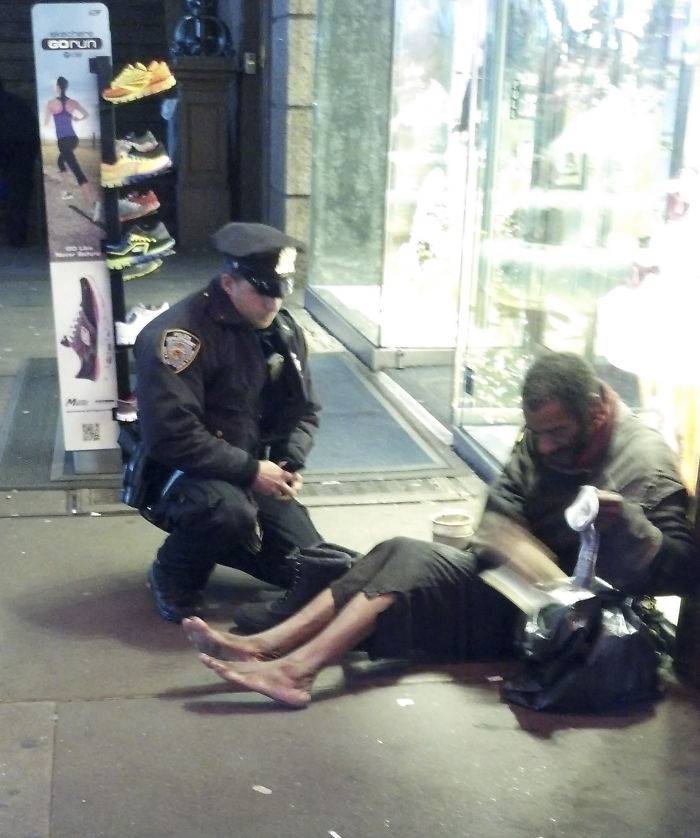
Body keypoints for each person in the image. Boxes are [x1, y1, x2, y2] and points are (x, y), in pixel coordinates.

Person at [181, 351, 700, 708]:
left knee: (409, 566)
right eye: (537, 433)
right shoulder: (550, 432)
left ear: (595, 410)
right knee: (397, 549)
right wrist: (512, 543)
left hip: (571, 626)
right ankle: (270, 646)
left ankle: (296, 672)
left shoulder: (643, 461)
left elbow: (678, 570)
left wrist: (628, 525)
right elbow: (502, 505)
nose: (543, 446)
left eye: (557, 432)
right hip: (523, 590)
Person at [132, 222, 336, 623]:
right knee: (226, 515)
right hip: (183, 474)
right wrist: (250, 471)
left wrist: (288, 462)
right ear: (228, 282)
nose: (273, 304)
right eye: (262, 291)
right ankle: (173, 573)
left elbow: (306, 409)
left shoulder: (281, 329)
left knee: (308, 570)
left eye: (282, 291)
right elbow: (170, 435)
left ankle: (237, 535)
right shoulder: (180, 337)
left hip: (251, 469)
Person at [43, 76, 99, 220]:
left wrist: (49, 114)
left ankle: (93, 204)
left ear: (57, 87)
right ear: (66, 87)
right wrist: (76, 118)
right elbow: (85, 114)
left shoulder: (51, 103)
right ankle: (66, 191)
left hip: (63, 141)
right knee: (61, 162)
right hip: (74, 139)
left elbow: (46, 123)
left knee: (76, 170)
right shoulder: (73, 103)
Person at [0, 79, 40, 247]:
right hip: (21, 155)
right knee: (18, 197)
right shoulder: (17, 103)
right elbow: (31, 132)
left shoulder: (16, 104)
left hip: (14, 152)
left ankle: (16, 237)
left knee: (14, 195)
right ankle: (17, 238)